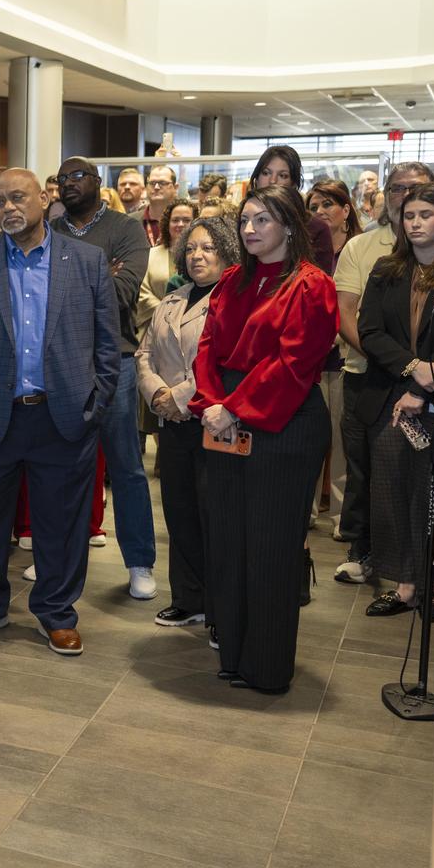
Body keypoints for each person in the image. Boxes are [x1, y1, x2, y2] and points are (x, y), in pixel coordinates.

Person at [0, 169, 117, 655]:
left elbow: (107, 343)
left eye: (18, 198)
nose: (8, 207)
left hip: (63, 417)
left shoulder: (88, 261)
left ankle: (57, 612)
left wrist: (94, 404)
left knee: (61, 525)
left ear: (44, 198)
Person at [190, 188, 339, 691]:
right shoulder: (234, 278)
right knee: (229, 543)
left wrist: (232, 407)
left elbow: (294, 364)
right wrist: (212, 404)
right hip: (225, 418)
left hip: (284, 421)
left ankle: (268, 667)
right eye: (246, 219)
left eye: (263, 219)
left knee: (271, 548)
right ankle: (233, 654)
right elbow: (207, 347)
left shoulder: (311, 285)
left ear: (291, 226)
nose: (249, 229)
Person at [50, 157, 160, 602]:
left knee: (126, 466)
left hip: (114, 360)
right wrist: (99, 271)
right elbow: (39, 296)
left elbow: (121, 293)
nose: (69, 184)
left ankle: (140, 562)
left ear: (99, 183)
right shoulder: (52, 230)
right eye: (62, 179)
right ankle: (57, 558)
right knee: (60, 467)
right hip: (60, 364)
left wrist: (67, 281)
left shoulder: (126, 228)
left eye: (78, 176)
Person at [331, 161, 434, 585]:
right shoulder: (364, 249)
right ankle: (366, 552)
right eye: (396, 190)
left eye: (415, 190)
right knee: (365, 472)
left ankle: (424, 570)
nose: (405, 198)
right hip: (370, 375)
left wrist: (425, 372)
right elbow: (348, 315)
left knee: (426, 480)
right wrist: (400, 363)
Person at [357, 182, 434, 619]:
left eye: (426, 215)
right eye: (409, 215)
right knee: (391, 492)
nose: (415, 223)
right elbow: (369, 331)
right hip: (389, 396)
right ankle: (403, 585)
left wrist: (424, 385)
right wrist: (412, 369)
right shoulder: (386, 268)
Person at [137, 215, 238, 629]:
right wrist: (157, 393)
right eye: (191, 248)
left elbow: (227, 363)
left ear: (229, 252)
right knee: (179, 512)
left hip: (213, 423)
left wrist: (180, 397)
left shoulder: (235, 299)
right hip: (172, 424)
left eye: (208, 248)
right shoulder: (173, 298)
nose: (197, 256)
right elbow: (144, 354)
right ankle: (188, 597)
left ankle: (219, 609)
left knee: (214, 515)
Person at [307, 179, 363, 518]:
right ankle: (307, 509)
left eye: (328, 205)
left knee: (342, 442)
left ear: (346, 210)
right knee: (313, 437)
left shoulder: (356, 249)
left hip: (346, 353)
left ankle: (342, 514)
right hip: (312, 355)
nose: (320, 212)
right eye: (314, 207)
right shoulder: (307, 247)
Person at [248, 144, 335, 273]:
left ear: (293, 184)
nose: (272, 181)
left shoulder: (315, 228)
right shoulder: (245, 221)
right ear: (256, 179)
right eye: (266, 173)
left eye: (283, 175)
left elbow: (319, 282)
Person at [146, 198, 196, 299]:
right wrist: (165, 311)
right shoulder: (150, 255)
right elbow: (142, 292)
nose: (180, 224)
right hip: (154, 313)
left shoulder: (202, 255)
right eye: (175, 220)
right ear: (167, 224)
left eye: (186, 220)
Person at [142, 163, 178, 244]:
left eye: (162, 183)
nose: (156, 187)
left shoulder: (185, 221)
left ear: (175, 188)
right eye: (152, 183)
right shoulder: (131, 221)